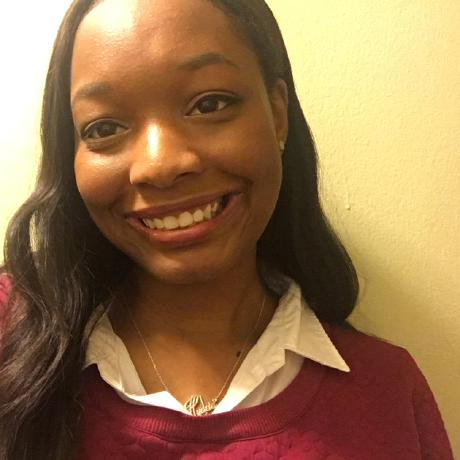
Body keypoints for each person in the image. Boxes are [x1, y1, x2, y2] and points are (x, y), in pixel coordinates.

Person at [0, 0, 454, 458]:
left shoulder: (387, 393)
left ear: (278, 113)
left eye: (209, 103)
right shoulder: (10, 336)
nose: (160, 165)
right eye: (104, 127)